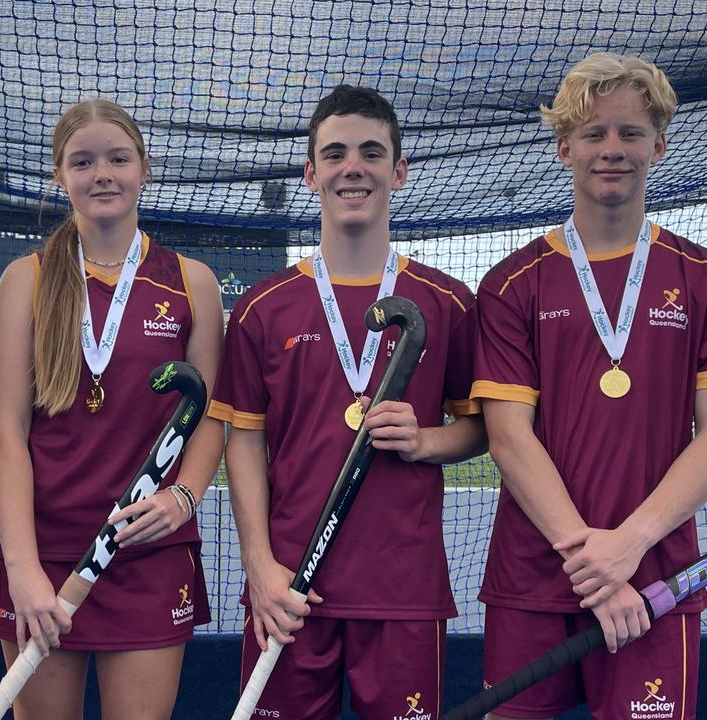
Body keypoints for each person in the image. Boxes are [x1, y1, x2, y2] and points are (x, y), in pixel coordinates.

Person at [470, 52, 707, 720]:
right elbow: (509, 439)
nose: (612, 149)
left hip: (656, 580)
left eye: (630, 133)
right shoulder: (513, 283)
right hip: (533, 582)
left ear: (658, 146)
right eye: (594, 133)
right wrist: (598, 569)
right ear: (563, 147)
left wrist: (630, 546)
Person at [209, 84, 487, 720]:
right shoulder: (262, 306)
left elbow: (481, 430)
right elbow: (244, 440)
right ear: (311, 174)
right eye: (334, 154)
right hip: (290, 589)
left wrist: (425, 440)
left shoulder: (447, 301)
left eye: (370, 151)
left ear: (399, 171)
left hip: (402, 588)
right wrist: (259, 568)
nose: (352, 167)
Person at [0, 98, 225, 720]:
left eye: (117, 158)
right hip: (41, 551)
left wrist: (183, 495)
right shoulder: (26, 277)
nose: (101, 173)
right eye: (82, 161)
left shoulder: (194, 282)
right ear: (60, 176)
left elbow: (212, 415)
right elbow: (6, 427)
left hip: (148, 552)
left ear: (145, 168)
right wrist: (23, 570)